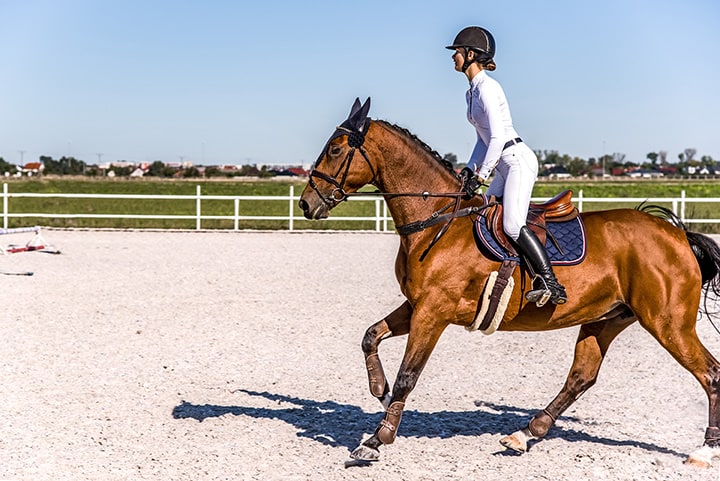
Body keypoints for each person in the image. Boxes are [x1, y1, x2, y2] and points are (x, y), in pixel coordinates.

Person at [447, 26, 567, 305]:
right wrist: (470, 169)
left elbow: (498, 137)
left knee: (513, 225)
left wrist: (482, 175)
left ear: (471, 54)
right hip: (502, 162)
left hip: (516, 161)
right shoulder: (471, 93)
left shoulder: (489, 88)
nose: (453, 57)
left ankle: (551, 284)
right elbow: (482, 139)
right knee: (482, 214)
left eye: (457, 52)